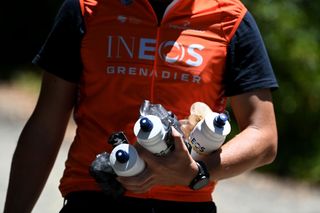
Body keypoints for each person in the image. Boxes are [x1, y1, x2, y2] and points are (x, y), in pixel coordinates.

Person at [4, 0, 279, 212]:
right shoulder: (85, 8)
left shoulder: (229, 18)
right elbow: (46, 124)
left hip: (186, 203)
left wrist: (197, 171)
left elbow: (264, 136)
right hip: (92, 196)